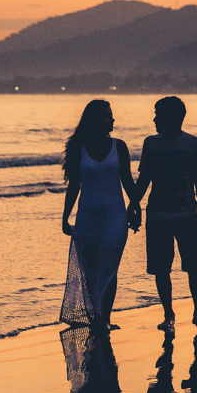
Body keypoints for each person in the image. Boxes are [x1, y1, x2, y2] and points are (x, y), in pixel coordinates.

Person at [128, 96, 197, 335]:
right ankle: (168, 315)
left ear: (173, 117)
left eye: (158, 114)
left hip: (187, 214)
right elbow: (144, 178)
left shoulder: (194, 144)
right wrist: (133, 204)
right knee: (161, 269)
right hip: (157, 215)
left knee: (192, 264)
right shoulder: (151, 143)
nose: (154, 119)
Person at [60, 99, 139, 330]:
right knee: (92, 269)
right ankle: (96, 316)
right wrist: (65, 217)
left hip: (115, 217)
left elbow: (127, 180)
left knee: (110, 265)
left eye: (112, 115)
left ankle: (104, 319)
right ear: (94, 120)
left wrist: (135, 206)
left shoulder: (119, 146)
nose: (112, 119)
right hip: (87, 218)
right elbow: (74, 184)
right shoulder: (79, 149)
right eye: (107, 116)